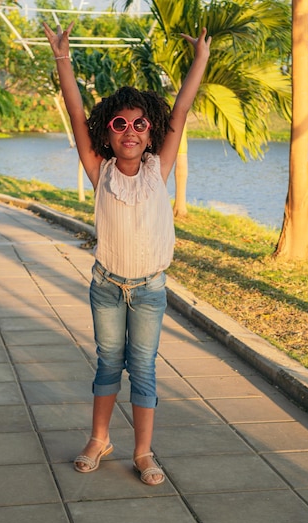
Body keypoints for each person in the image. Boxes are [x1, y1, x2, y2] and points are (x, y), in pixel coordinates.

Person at [43, 20, 211, 485]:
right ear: (108, 132)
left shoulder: (159, 169)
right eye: (120, 124)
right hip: (106, 287)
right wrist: (62, 59)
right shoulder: (101, 171)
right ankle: (99, 439)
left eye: (140, 124)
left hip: (150, 289)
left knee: (143, 367)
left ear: (151, 131)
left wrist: (200, 60)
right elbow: (77, 115)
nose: (130, 131)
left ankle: (142, 451)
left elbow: (181, 109)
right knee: (107, 362)